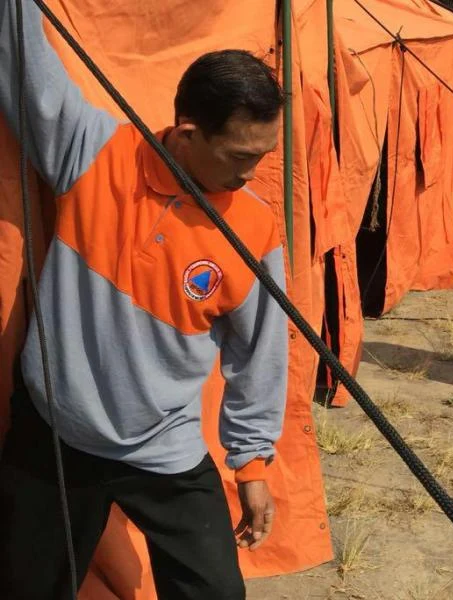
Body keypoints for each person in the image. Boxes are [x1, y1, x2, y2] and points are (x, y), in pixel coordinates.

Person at [0, 2, 289, 598]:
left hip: (164, 446)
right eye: (241, 156)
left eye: (264, 154)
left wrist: (252, 465)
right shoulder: (94, 152)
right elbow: (22, 59)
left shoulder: (255, 229)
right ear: (187, 133)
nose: (253, 173)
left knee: (216, 592)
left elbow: (260, 355)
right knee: (27, 587)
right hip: (54, 431)